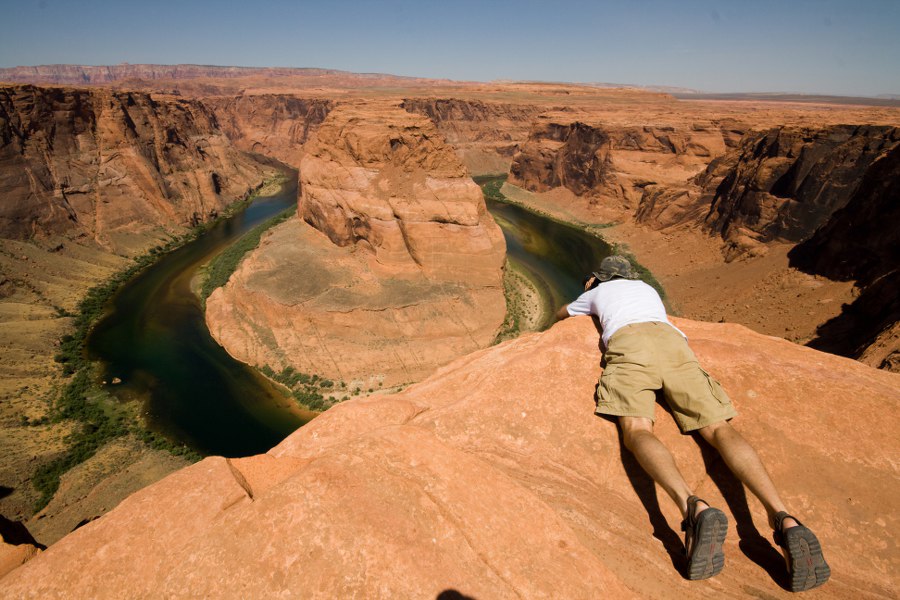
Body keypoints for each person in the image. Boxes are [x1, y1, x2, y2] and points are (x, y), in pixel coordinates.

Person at [556, 255, 830, 591]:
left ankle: (693, 508)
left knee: (637, 428)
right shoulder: (646, 288)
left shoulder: (597, 291)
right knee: (718, 428)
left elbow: (561, 315)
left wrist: (589, 292)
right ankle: (785, 519)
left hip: (630, 346)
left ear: (599, 279)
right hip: (674, 345)